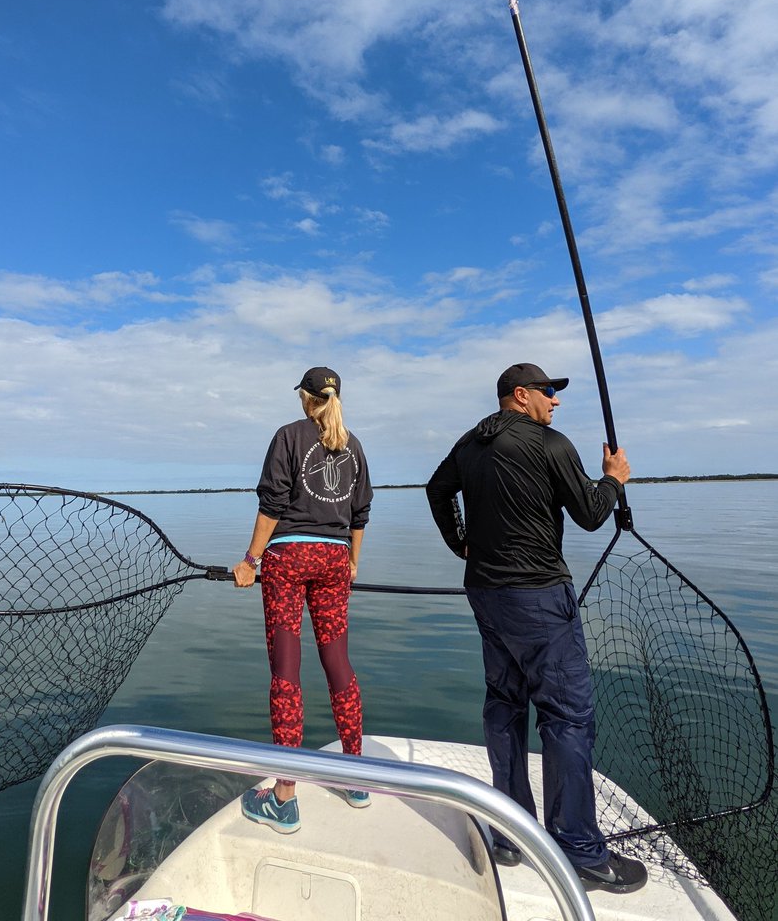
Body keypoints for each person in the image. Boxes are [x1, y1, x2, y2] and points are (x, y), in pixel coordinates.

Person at [426, 362, 647, 893]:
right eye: (549, 392)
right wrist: (614, 479)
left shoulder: (471, 442)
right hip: (540, 599)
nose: (556, 401)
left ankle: (508, 833)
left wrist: (461, 543)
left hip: (486, 595)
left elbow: (437, 489)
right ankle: (579, 852)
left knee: (504, 706)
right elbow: (592, 513)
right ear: (520, 396)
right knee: (567, 717)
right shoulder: (551, 445)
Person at [232, 366, 373, 834]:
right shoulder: (353, 445)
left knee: (286, 669)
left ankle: (285, 796)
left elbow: (273, 504)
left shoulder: (288, 437)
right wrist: (351, 561)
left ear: (305, 398)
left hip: (288, 560)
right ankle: (355, 779)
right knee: (338, 662)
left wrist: (251, 560)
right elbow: (360, 512)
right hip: (334, 561)